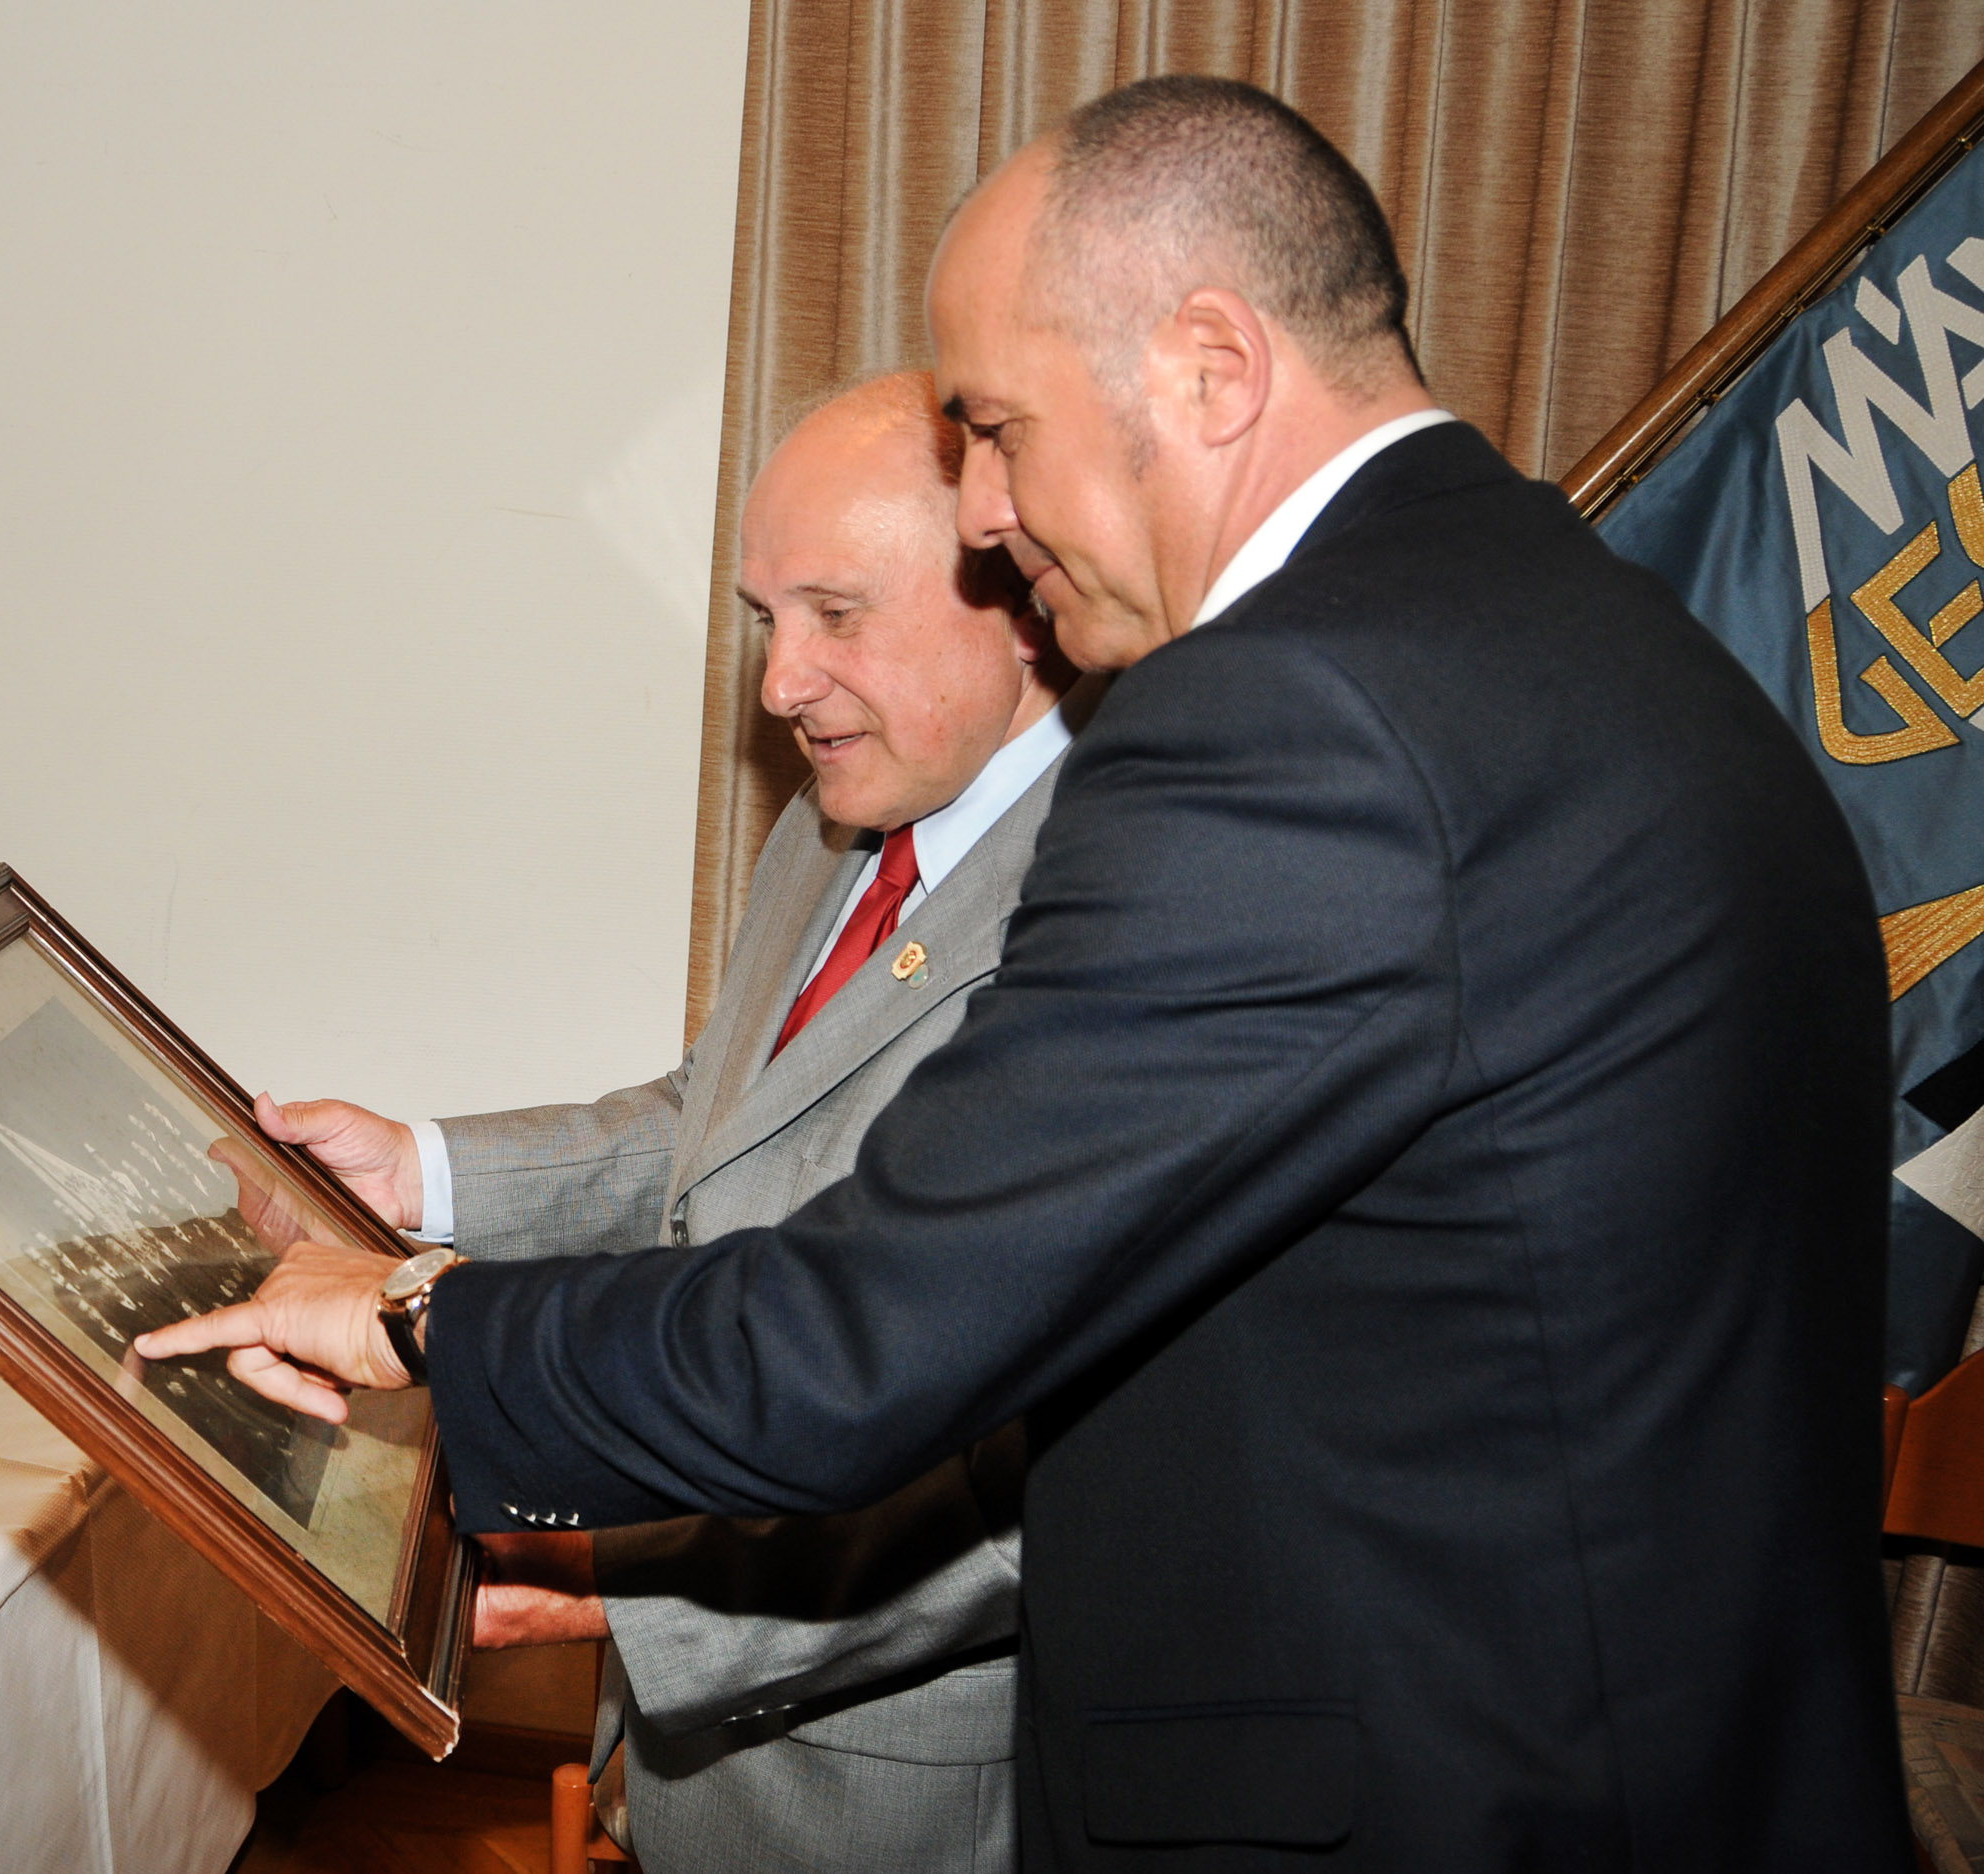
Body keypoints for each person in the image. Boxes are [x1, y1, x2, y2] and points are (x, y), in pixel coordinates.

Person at [143, 79, 1910, 1867]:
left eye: (997, 426)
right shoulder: (1580, 627)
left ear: (1209, 368)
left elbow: (857, 1335)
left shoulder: (1292, 715)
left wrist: (418, 1313)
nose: (983, 509)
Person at [243, 372, 1082, 1872]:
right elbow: (724, 1124)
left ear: (1021, 605)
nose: (780, 684)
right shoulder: (836, 817)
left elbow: (1041, 1480)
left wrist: (626, 1586)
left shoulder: (1114, 904)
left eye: (836, 615)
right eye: (767, 618)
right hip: (696, 1766)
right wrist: (423, 1170)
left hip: (900, 1794)